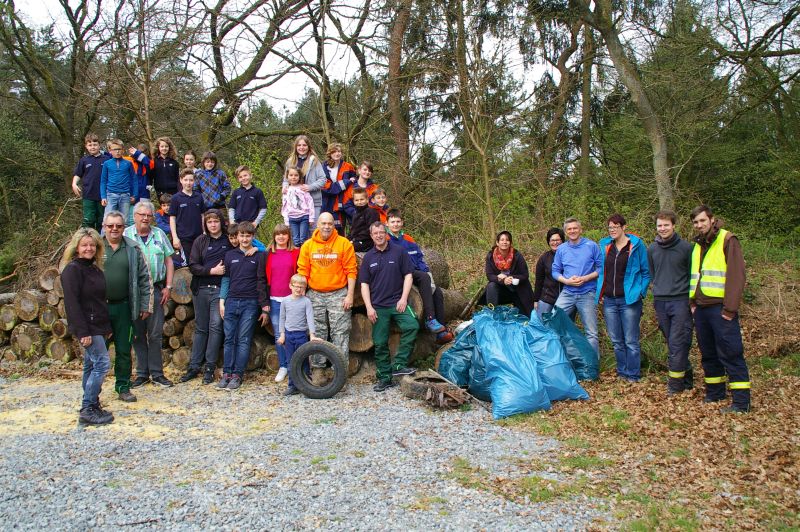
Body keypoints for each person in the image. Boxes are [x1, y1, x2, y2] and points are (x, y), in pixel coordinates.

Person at [689, 205, 750, 413]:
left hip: (721, 309)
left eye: (702, 221)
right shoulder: (698, 245)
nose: (699, 225)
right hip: (702, 309)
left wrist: (730, 309)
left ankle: (741, 402)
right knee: (708, 353)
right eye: (696, 222)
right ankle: (715, 393)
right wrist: (693, 303)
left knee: (731, 353)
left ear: (712, 219)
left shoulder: (727, 240)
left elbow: (737, 276)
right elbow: (696, 276)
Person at [60, 228, 114, 425]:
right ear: (76, 248)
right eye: (84, 245)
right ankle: (88, 407)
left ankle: (92, 403)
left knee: (90, 365)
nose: (89, 248)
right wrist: (82, 332)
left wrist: (106, 326)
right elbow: (72, 304)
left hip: (99, 325)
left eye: (92, 245)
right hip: (86, 327)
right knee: (102, 364)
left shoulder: (94, 268)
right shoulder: (72, 270)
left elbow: (99, 300)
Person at [360, 222, 419, 392]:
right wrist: (369, 308)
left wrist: (403, 299)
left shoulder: (399, 251)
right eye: (375, 233)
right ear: (371, 236)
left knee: (412, 325)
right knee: (380, 343)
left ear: (386, 234)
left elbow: (408, 275)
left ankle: (399, 364)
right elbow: (364, 284)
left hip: (397, 303)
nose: (378, 235)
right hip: (378, 306)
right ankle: (385, 377)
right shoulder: (368, 257)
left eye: (381, 232)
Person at [101, 211, 153, 402]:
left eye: (119, 226)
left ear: (124, 227)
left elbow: (144, 278)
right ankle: (92, 390)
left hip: (124, 307)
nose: (114, 229)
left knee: (124, 349)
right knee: (98, 351)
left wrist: (146, 304)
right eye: (110, 225)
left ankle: (123, 386)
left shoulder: (133, 248)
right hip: (100, 309)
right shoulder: (94, 247)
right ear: (104, 226)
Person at [124, 201, 175, 388]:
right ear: (134, 216)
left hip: (156, 288)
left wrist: (168, 286)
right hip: (133, 291)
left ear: (152, 217)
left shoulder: (159, 234)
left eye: (148, 215)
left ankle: (157, 373)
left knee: (155, 333)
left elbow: (169, 260)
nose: (145, 218)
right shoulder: (126, 235)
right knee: (137, 333)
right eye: (141, 214)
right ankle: (141, 373)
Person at [297, 212, 358, 368]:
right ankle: (318, 370)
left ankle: (340, 371)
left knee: (340, 334)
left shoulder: (344, 244)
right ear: (318, 225)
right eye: (323, 223)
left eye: (330, 223)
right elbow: (302, 271)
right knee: (317, 333)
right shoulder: (308, 245)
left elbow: (351, 271)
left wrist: (350, 295)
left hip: (338, 293)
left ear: (334, 225)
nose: (326, 226)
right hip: (315, 294)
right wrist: (302, 293)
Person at [596, 214, 650, 382]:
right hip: (609, 300)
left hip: (629, 300)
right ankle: (622, 372)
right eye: (610, 227)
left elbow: (646, 272)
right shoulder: (605, 245)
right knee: (616, 340)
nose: (612, 230)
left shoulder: (636, 245)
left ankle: (633, 375)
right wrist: (601, 292)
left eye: (615, 227)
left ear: (623, 227)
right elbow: (601, 271)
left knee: (630, 340)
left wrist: (640, 292)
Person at [386, 209, 453, 343]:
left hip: (413, 272)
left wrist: (426, 270)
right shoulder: (387, 240)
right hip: (399, 275)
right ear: (387, 223)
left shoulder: (408, 239)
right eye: (392, 222)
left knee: (437, 292)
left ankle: (441, 332)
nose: (395, 224)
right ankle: (429, 319)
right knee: (423, 277)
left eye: (398, 221)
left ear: (402, 223)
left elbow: (419, 259)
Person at [181, 209, 232, 384]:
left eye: (216, 221)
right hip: (201, 289)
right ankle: (194, 366)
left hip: (220, 290)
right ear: (206, 224)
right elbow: (193, 265)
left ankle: (210, 366)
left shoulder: (228, 241)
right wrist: (212, 270)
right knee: (201, 327)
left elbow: (248, 242)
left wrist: (256, 247)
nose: (213, 224)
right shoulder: (200, 241)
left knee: (216, 326)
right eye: (209, 222)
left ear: (221, 222)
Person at [647, 210, 695, 394]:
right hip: (660, 302)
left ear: (674, 225)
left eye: (666, 225)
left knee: (677, 342)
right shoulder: (651, 249)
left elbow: (693, 274)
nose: (663, 228)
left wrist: (692, 301)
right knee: (673, 342)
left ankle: (675, 387)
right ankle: (687, 379)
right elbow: (653, 274)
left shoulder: (686, 248)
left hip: (681, 301)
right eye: (659, 225)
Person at [218, 221, 269, 391]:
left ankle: (238, 374)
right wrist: (222, 301)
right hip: (232, 301)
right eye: (242, 235)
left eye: (248, 235)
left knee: (243, 339)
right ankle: (227, 372)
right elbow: (226, 278)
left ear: (253, 237)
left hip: (250, 302)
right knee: (229, 338)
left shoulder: (259, 256)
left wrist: (263, 306)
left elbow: (262, 280)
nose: (245, 238)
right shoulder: (230, 255)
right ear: (237, 236)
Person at [552, 217, 602, 357]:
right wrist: (566, 281)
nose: (572, 231)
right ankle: (561, 360)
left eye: (575, 228)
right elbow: (555, 271)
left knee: (591, 332)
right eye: (569, 229)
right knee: (554, 321)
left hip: (587, 293)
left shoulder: (591, 246)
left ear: (580, 229)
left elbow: (601, 269)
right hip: (568, 292)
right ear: (566, 232)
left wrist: (586, 278)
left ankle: (593, 366)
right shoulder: (561, 249)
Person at [264, 224, 301, 383]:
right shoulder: (267, 254)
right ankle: (283, 365)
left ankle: (296, 365)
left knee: (294, 333)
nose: (281, 237)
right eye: (278, 234)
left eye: (284, 234)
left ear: (288, 236)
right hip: (274, 299)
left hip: (291, 299)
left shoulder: (295, 252)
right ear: (274, 236)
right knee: (279, 335)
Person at [278, 274, 321, 396]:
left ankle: (306, 385)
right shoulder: (285, 301)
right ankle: (292, 385)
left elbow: (310, 318)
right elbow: (282, 318)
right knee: (291, 361)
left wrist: (312, 335)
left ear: (305, 288)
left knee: (304, 360)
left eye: (301, 287)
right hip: (289, 335)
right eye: (296, 286)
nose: (298, 289)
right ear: (290, 286)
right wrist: (282, 335)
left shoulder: (306, 301)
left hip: (301, 335)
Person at [484, 231, 535, 317]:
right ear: (497, 242)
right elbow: (490, 275)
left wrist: (508, 277)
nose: (504, 242)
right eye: (502, 240)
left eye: (507, 240)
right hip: (501, 290)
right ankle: (491, 314)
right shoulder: (490, 256)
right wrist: (503, 280)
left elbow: (525, 275)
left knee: (526, 316)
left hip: (517, 288)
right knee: (491, 285)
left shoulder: (517, 255)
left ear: (510, 243)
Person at [72, 133, 110, 231]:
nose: (92, 147)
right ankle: (86, 241)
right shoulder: (84, 160)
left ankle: (100, 243)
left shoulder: (107, 159)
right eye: (90, 145)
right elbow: (78, 174)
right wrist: (74, 183)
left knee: (102, 220)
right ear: (86, 146)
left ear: (99, 145)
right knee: (88, 220)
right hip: (88, 195)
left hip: (103, 196)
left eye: (95, 144)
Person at [284, 135, 327, 223]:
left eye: (304, 145)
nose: (301, 147)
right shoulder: (290, 161)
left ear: (308, 147)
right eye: (299, 145)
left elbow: (323, 179)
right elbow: (285, 179)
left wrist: (310, 187)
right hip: (295, 204)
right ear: (295, 147)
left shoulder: (314, 161)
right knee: (296, 233)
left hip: (313, 201)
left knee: (312, 229)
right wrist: (284, 187)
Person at [321, 143, 357, 234]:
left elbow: (355, 183)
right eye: (335, 151)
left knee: (354, 227)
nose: (337, 154)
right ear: (330, 153)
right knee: (334, 229)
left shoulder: (348, 166)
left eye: (339, 151)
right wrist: (346, 182)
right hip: (329, 203)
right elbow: (327, 188)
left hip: (346, 202)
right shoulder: (323, 168)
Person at [170, 168, 206, 258]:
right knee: (188, 264)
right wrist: (175, 237)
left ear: (194, 181)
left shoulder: (199, 196)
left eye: (191, 180)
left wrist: (205, 231)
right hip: (183, 238)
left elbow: (202, 215)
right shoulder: (175, 198)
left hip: (199, 236)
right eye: (186, 180)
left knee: (200, 261)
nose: (188, 183)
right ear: (181, 180)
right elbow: (172, 218)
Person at [100, 139, 137, 224]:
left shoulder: (128, 163)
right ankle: (104, 237)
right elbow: (103, 181)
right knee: (107, 220)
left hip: (125, 195)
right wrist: (103, 196)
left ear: (123, 150)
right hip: (111, 195)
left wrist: (134, 194)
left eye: (119, 149)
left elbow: (134, 180)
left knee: (125, 221)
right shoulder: (107, 163)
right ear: (110, 151)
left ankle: (124, 237)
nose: (117, 152)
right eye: (114, 149)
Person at [533, 228, 565, 319]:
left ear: (562, 240)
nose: (555, 242)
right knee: (541, 323)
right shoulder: (544, 258)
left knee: (561, 325)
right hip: (547, 297)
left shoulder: (569, 255)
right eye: (552, 240)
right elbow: (539, 280)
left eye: (557, 240)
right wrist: (536, 300)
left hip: (566, 297)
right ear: (548, 242)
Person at [282, 167, 316, 247]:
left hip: (303, 216)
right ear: (287, 177)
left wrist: (311, 217)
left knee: (303, 239)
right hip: (292, 218)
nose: (293, 177)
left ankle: (305, 256)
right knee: (296, 240)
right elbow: (284, 206)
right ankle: (297, 257)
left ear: (299, 177)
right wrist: (286, 220)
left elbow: (310, 202)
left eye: (296, 175)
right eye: (291, 175)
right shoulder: (286, 190)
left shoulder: (303, 188)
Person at [348, 188, 380, 252]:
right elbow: (353, 230)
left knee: (347, 248)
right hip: (356, 241)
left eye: (362, 199)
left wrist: (355, 239)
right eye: (356, 200)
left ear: (367, 200)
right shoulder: (355, 214)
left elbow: (370, 230)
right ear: (353, 201)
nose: (359, 202)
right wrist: (348, 239)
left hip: (367, 243)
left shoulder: (371, 212)